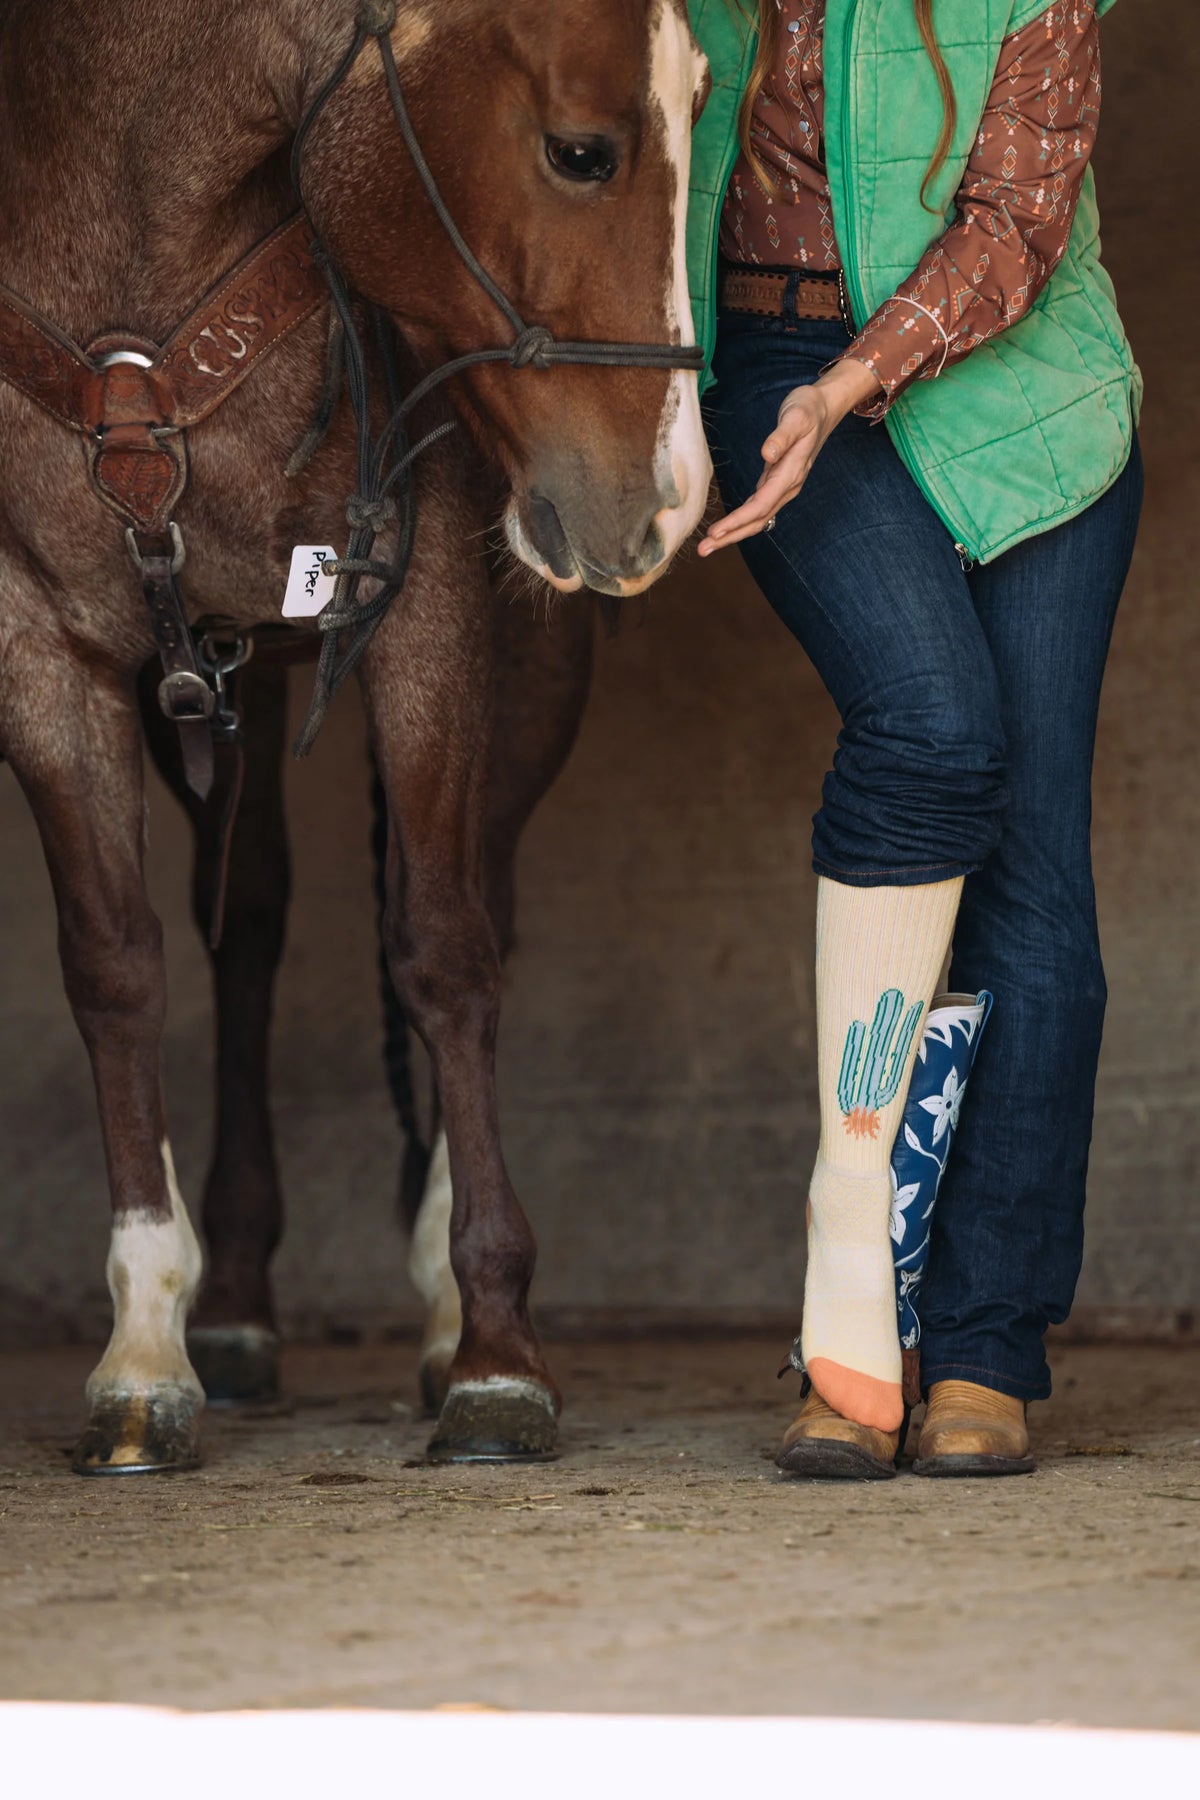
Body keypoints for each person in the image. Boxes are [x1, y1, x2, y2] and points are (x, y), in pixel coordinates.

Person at [688, 0, 1142, 1477]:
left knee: (1032, 877)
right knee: (934, 730)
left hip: (1022, 396)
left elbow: (1017, 221)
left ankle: (988, 1346)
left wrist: (855, 379)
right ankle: (852, 1271)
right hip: (775, 360)